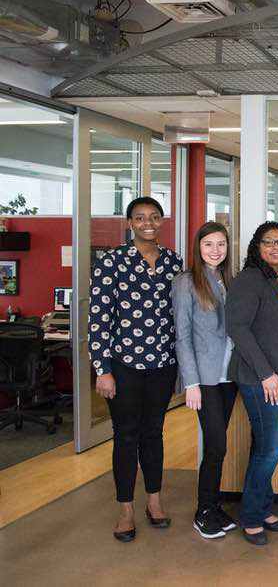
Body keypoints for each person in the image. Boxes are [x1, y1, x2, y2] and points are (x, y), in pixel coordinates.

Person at [90, 196, 183, 542]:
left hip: (162, 364)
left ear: (161, 222)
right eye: (140, 217)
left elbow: (179, 317)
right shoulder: (112, 261)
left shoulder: (174, 261)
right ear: (130, 223)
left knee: (154, 433)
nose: (148, 223)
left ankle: (154, 502)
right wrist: (103, 369)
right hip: (123, 365)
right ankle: (126, 508)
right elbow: (98, 318)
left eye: (154, 217)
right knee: (126, 435)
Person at [226, 221, 278, 546]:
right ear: (256, 246)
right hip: (263, 378)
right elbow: (238, 328)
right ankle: (250, 516)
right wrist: (265, 373)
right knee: (271, 447)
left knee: (265, 445)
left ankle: (260, 505)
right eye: (269, 242)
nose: (276, 247)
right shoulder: (250, 280)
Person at [172, 221, 238, 540]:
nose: (215, 250)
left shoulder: (227, 279)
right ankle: (203, 511)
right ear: (198, 248)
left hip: (229, 377)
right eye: (209, 244)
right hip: (206, 379)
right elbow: (182, 337)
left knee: (218, 445)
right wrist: (191, 383)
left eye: (221, 244)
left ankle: (212, 505)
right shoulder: (186, 283)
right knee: (216, 445)